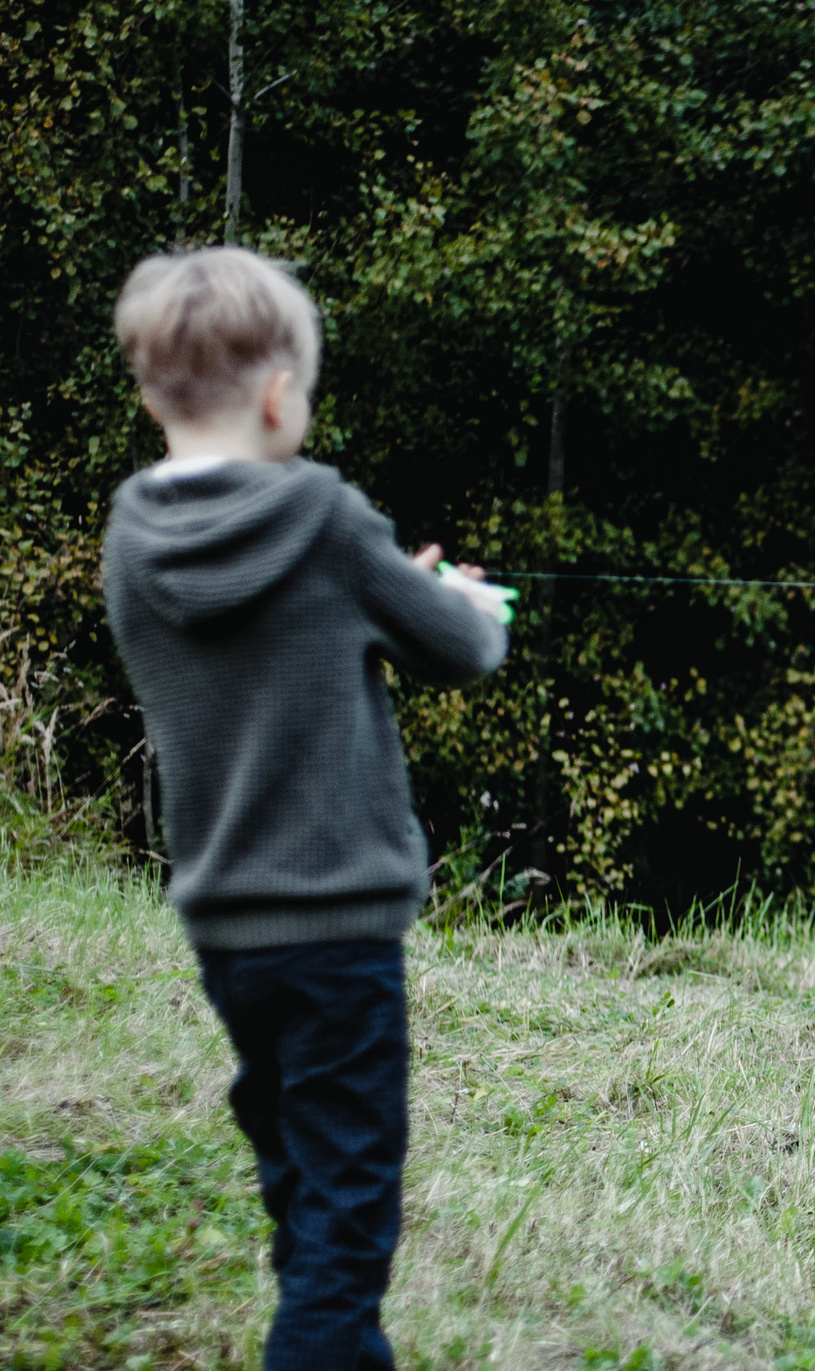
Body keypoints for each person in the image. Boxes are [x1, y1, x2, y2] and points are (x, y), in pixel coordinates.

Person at [101, 246, 510, 1370]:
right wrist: (457, 599)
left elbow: (265, 641)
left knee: (294, 1157)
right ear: (281, 394)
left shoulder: (132, 536)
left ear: (150, 394)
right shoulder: (324, 517)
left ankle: (317, 1330)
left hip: (223, 923)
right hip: (338, 924)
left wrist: (381, 587)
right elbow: (461, 650)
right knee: (351, 1197)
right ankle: (322, 1347)